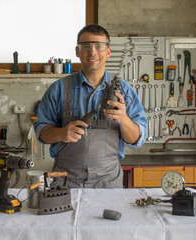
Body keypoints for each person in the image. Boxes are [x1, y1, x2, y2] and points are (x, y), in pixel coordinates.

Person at [33, 24, 147, 188]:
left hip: (108, 184)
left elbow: (137, 139)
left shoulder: (124, 91)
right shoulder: (58, 89)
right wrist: (61, 133)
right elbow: (40, 132)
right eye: (86, 46)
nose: (93, 52)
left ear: (108, 51)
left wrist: (124, 120)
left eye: (99, 46)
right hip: (65, 182)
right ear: (77, 51)